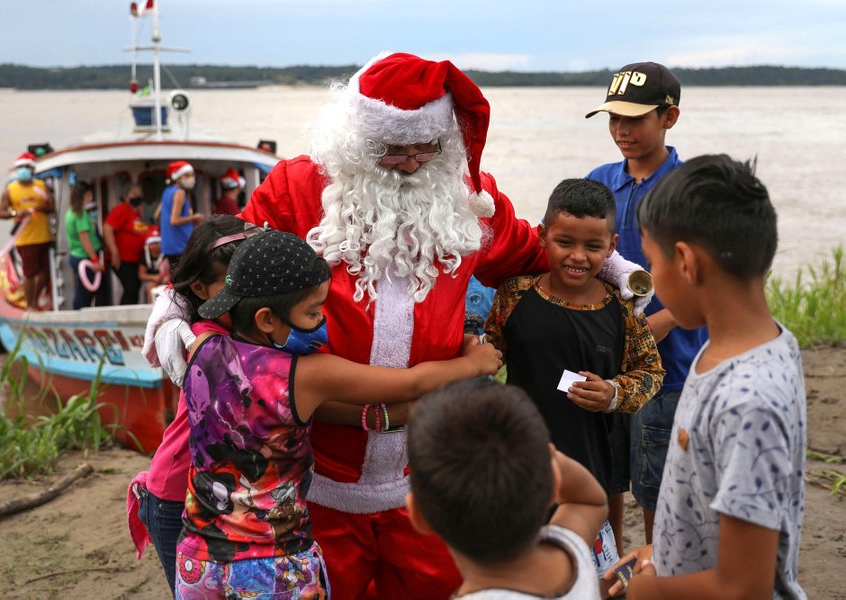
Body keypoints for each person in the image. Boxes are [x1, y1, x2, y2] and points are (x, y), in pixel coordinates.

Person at [149, 52, 651, 599]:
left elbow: (534, 250)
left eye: (425, 148)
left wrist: (616, 268)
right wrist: (176, 305)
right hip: (319, 476)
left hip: (422, 472)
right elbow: (227, 263)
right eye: (393, 150)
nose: (412, 165)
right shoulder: (299, 185)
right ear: (358, 140)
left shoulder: (469, 197)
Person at [176, 229, 502, 598]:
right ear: (266, 319)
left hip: (198, 557)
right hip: (272, 563)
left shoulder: (203, 346)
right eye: (312, 312)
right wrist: (475, 363)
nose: (320, 323)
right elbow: (411, 383)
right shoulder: (307, 375)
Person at [604, 155, 807, 599]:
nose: (651, 279)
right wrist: (659, 553)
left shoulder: (748, 402)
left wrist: (648, 592)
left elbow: (745, 588)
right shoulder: (745, 344)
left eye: (651, 264)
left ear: (686, 262)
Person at [484, 178, 664, 578]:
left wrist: (614, 393)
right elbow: (486, 357)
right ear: (542, 236)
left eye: (593, 246)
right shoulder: (514, 295)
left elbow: (651, 372)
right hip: (520, 464)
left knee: (585, 577)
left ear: (612, 246)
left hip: (588, 474)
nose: (578, 256)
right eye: (565, 242)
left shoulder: (622, 309)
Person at [584, 62, 707, 553]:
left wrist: (655, 326)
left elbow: (707, 279)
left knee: (659, 489)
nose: (621, 129)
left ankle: (660, 573)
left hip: (670, 370)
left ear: (668, 117)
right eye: (613, 118)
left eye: (634, 119)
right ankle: (610, 570)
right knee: (604, 478)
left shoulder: (690, 189)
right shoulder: (598, 183)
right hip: (603, 363)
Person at [133, 216, 257, 593]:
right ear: (201, 288)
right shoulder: (205, 340)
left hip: (213, 490)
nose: (248, 293)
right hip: (176, 495)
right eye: (234, 285)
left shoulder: (237, 328)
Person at [406, 379, 608, 599]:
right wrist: (546, 460)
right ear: (554, 482)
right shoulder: (570, 553)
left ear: (419, 515)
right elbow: (589, 501)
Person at [0, 151, 55, 310]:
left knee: (45, 271)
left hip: (44, 236)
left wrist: (42, 208)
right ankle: (30, 305)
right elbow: (0, 213)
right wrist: (15, 213)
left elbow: (51, 207)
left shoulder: (41, 186)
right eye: (21, 167)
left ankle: (35, 299)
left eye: (27, 167)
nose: (24, 170)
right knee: (29, 273)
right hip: (25, 239)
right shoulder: (10, 190)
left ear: (33, 169)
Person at [65, 181, 109, 309]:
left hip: (78, 255)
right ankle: (81, 315)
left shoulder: (70, 212)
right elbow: (85, 239)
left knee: (97, 289)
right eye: (89, 195)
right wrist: (95, 260)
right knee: (85, 293)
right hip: (84, 256)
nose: (91, 198)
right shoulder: (81, 214)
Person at [104, 181, 149, 304]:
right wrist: (114, 252)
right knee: (131, 287)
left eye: (139, 194)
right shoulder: (121, 210)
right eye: (134, 194)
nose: (137, 197)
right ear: (125, 196)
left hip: (135, 260)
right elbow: (107, 228)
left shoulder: (137, 213)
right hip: (123, 259)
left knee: (135, 288)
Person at [159, 160, 204, 268]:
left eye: (192, 175)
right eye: (187, 175)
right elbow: (174, 220)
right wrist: (194, 217)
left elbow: (157, 214)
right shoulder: (180, 193)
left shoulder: (167, 191)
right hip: (180, 245)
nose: (191, 178)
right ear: (178, 177)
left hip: (169, 245)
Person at [138, 227, 165, 302]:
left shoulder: (165, 255)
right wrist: (154, 278)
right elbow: (141, 275)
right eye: (152, 243)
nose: (155, 246)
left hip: (165, 279)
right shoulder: (145, 257)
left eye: (157, 243)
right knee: (150, 286)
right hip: (150, 280)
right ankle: (151, 306)